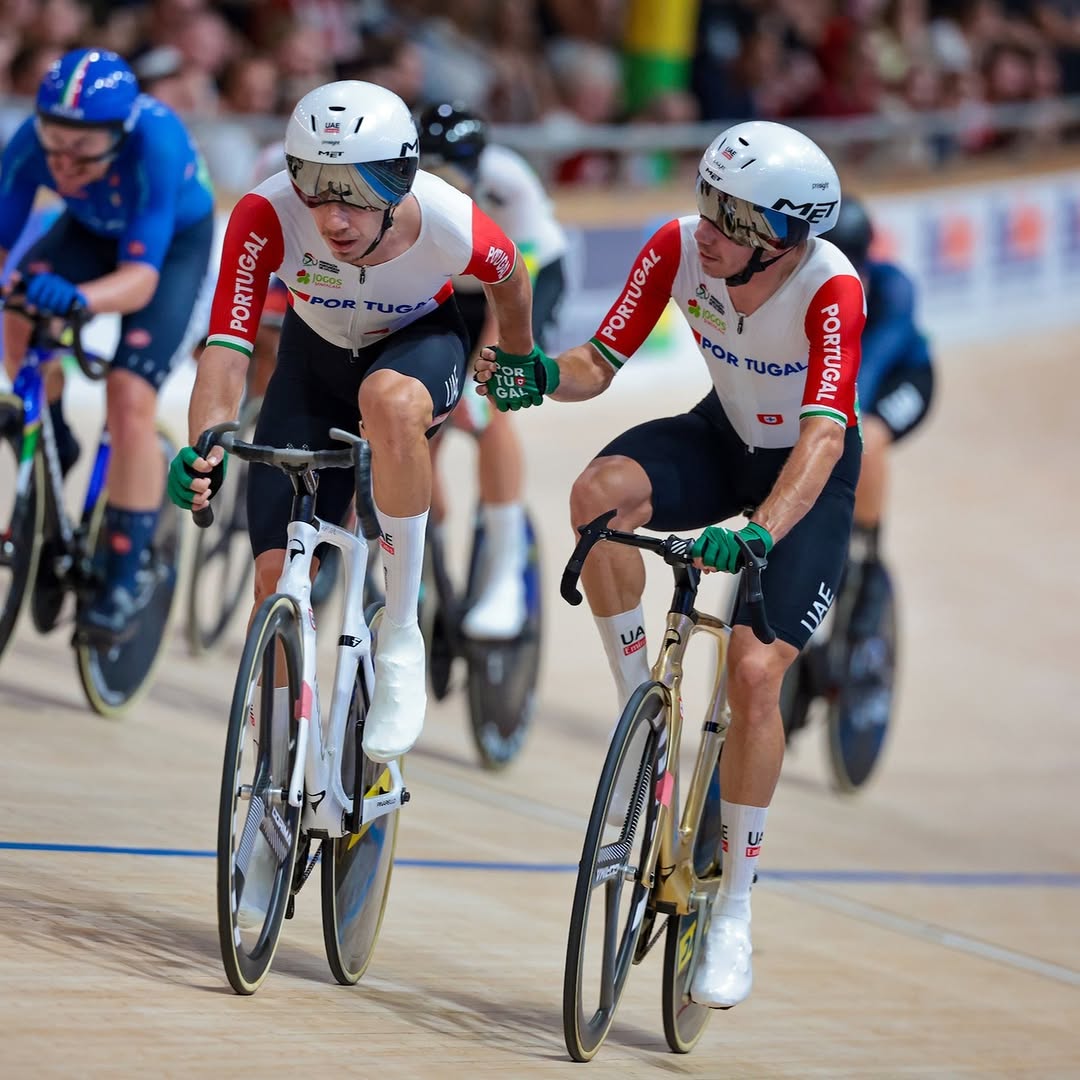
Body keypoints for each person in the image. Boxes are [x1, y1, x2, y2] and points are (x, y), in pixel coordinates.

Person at [475, 121, 864, 1009]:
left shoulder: (829, 288)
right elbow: (598, 361)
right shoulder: (676, 246)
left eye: (734, 218)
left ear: (782, 237)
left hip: (805, 477)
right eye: (708, 201)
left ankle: (735, 912)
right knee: (597, 495)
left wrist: (760, 532)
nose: (709, 227)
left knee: (754, 672)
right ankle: (640, 722)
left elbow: (823, 437)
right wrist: (542, 376)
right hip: (723, 439)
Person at [167, 80, 536, 766]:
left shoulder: (448, 218)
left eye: (357, 193)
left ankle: (400, 633)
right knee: (274, 579)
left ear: (399, 180)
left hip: (418, 345)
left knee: (388, 402)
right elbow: (227, 345)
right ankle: (273, 775)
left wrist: (515, 357)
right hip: (314, 363)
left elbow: (512, 280)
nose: (333, 218)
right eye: (314, 187)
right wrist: (205, 444)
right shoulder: (264, 213)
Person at [0, 47, 215, 641]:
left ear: (119, 135)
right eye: (54, 141)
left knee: (128, 393)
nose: (65, 161)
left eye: (84, 148)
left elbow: (140, 282)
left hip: (171, 252)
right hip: (90, 231)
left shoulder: (157, 141)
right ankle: (54, 433)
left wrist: (76, 299)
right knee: (16, 315)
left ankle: (123, 574)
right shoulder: (29, 142)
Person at [417, 101, 569, 640]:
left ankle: (504, 569)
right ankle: (427, 540)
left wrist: (479, 383)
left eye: (453, 173)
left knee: (489, 401)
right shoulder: (402, 185)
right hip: (450, 290)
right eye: (432, 173)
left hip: (521, 282)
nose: (444, 183)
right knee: (419, 419)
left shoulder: (510, 183)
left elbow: (511, 296)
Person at [824, 196, 934, 637]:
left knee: (865, 436)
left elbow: (868, 371)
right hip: (849, 380)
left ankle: (868, 561)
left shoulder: (895, 289)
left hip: (902, 379)